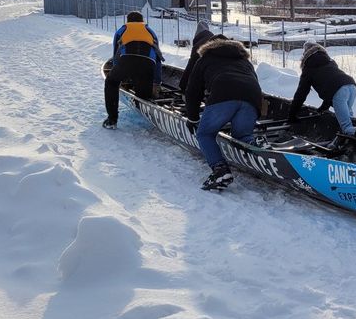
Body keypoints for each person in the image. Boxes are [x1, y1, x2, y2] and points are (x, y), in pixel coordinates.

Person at [183, 37, 263, 191]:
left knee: (205, 134)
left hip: (223, 93)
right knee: (242, 136)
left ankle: (220, 170)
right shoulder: (244, 61)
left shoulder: (205, 59)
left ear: (210, 46)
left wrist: (192, 118)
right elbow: (254, 82)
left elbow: (192, 91)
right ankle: (255, 143)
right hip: (252, 96)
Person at [288, 41, 356, 144]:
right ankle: (354, 138)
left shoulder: (308, 68)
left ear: (305, 54)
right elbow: (330, 82)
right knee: (348, 116)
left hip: (339, 92)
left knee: (346, 127)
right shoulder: (330, 61)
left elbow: (301, 94)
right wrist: (324, 107)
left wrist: (292, 115)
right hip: (351, 86)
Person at [103, 11, 164, 129]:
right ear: (142, 21)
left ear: (128, 21)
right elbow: (157, 58)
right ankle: (147, 113)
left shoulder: (122, 30)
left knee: (111, 82)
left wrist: (119, 75)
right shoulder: (150, 31)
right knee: (143, 96)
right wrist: (156, 82)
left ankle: (112, 120)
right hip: (148, 63)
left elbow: (116, 55)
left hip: (127, 60)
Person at [178, 20, 224, 92]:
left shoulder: (199, 46)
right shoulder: (217, 41)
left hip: (214, 82)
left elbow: (191, 67)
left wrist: (183, 86)